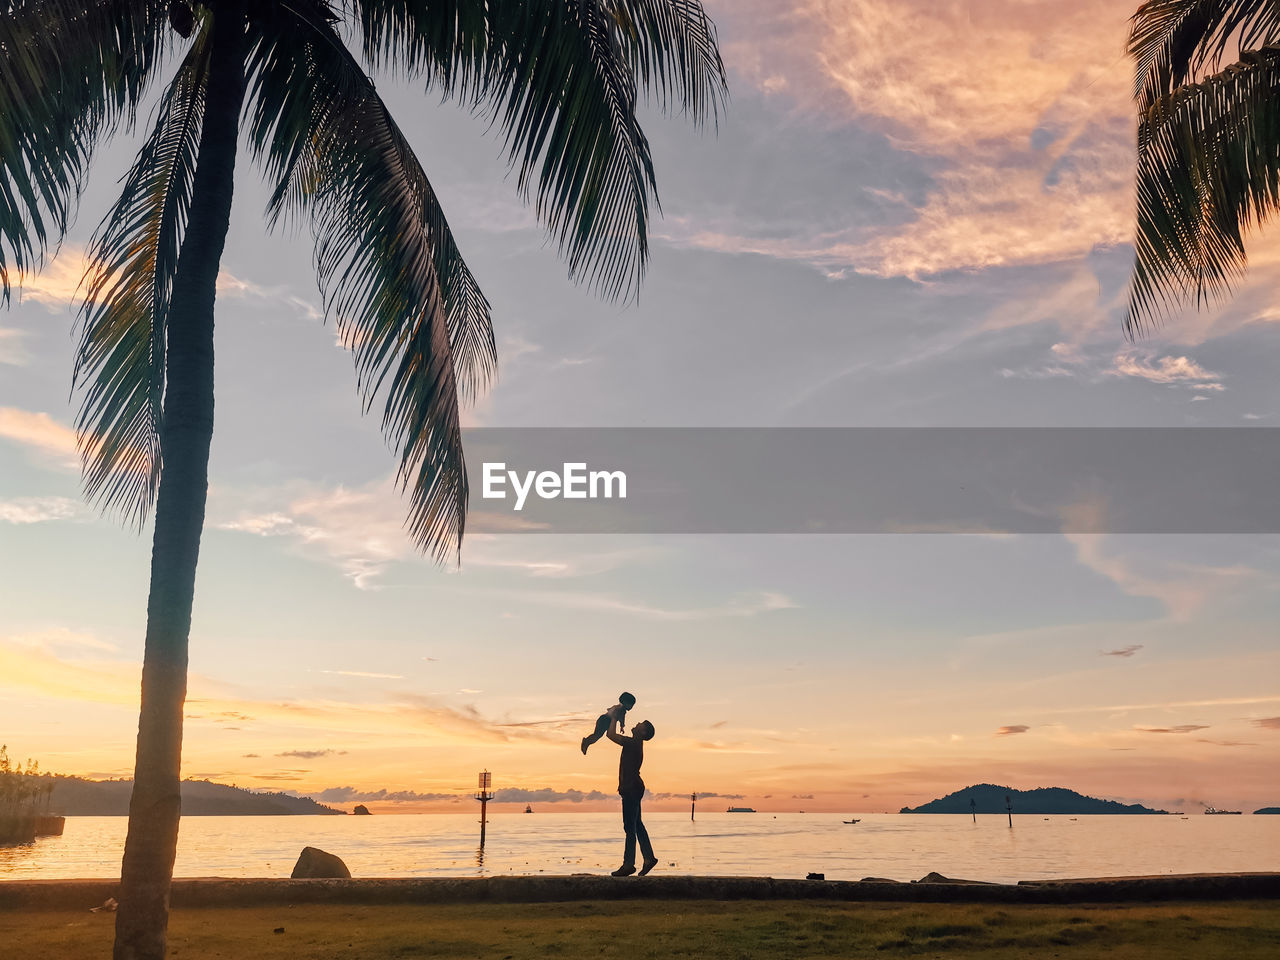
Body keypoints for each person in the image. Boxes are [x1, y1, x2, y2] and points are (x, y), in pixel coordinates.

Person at [606, 717, 657, 877]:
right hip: (634, 787)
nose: (636, 725)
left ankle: (629, 864)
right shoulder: (634, 743)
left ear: (643, 732)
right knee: (637, 825)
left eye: (639, 725)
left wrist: (612, 717)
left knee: (630, 828)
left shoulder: (632, 743)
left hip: (631, 788)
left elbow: (610, 735)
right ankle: (649, 858)